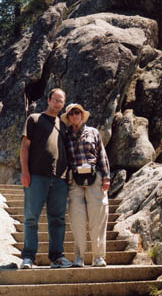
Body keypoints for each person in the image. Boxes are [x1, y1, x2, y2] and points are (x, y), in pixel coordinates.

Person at [19, 88, 73, 269]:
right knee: (31, 217)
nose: (58, 104)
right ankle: (28, 257)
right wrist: (25, 172)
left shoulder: (64, 124)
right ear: (48, 100)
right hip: (36, 176)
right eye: (55, 100)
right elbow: (25, 146)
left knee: (57, 219)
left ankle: (57, 257)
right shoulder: (34, 119)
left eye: (61, 101)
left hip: (59, 178)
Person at [61, 103, 110, 268]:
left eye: (78, 112)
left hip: (94, 178)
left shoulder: (93, 132)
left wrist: (106, 177)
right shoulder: (65, 135)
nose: (75, 115)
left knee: (97, 219)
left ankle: (98, 257)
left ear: (82, 115)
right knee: (77, 219)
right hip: (75, 180)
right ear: (68, 118)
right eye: (71, 113)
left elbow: (102, 154)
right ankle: (79, 257)